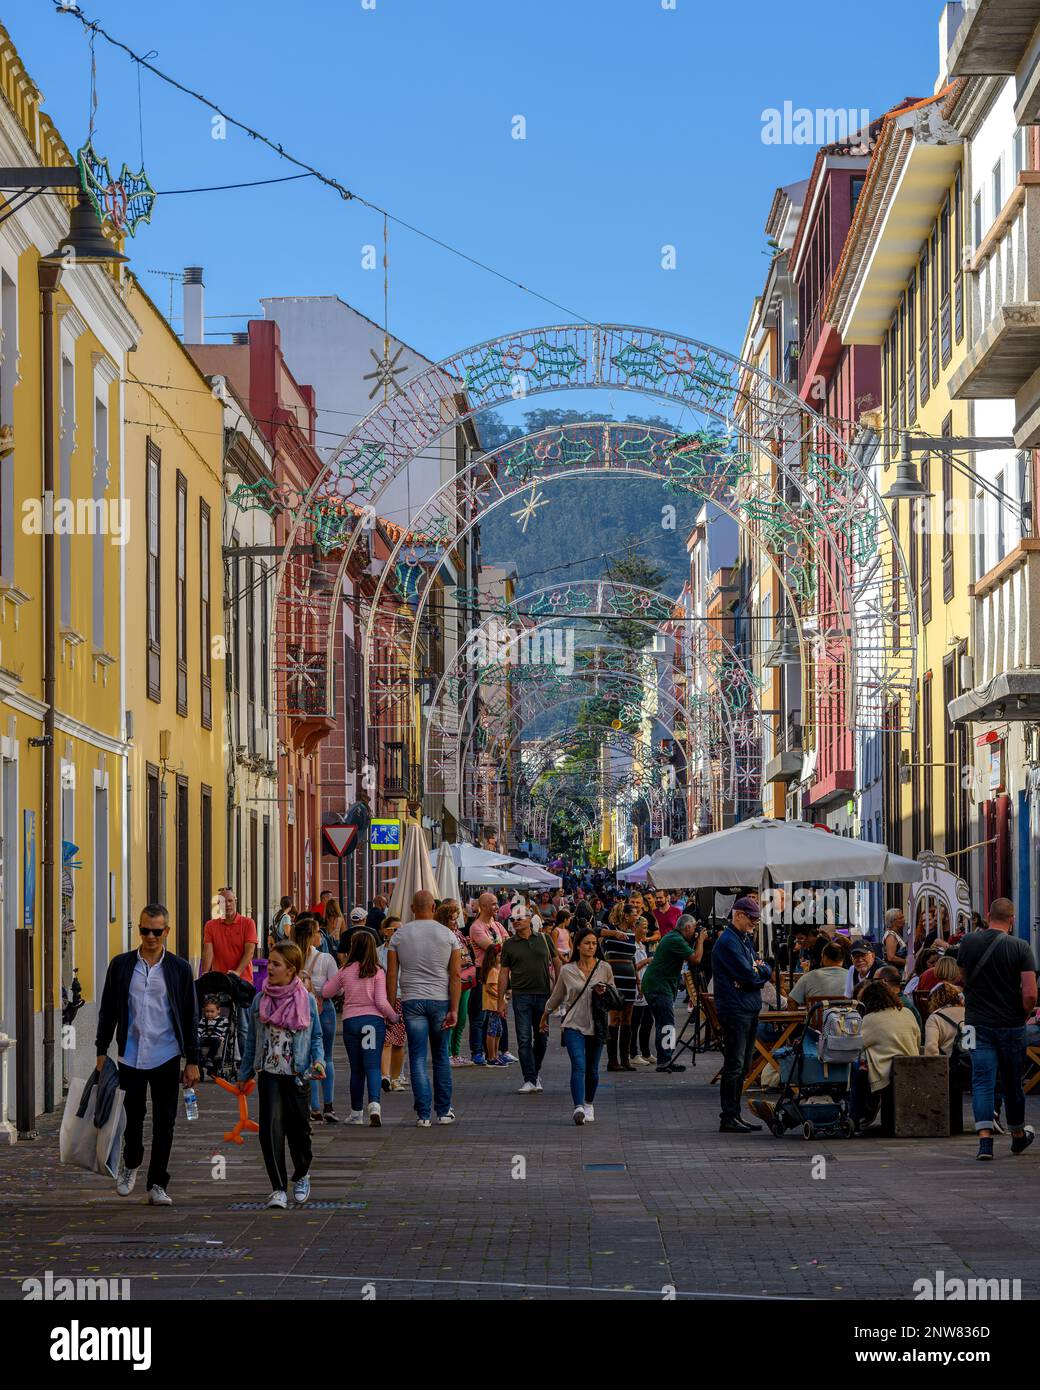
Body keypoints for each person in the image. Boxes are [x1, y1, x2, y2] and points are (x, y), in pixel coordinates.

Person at [96, 904, 200, 1205]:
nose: (150, 936)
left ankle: (157, 1183)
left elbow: (189, 1014)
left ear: (166, 931)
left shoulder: (179, 968)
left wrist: (192, 1060)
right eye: (145, 930)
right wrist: (101, 1050)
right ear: (139, 930)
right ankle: (132, 1161)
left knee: (165, 1120)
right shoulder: (121, 965)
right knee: (132, 1116)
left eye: (156, 931)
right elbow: (108, 1010)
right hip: (130, 1054)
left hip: (166, 1053)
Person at [239, 941, 325, 1208]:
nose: (270, 968)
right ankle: (278, 1187)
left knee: (299, 1130)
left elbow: (317, 1036)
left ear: (291, 969)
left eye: (276, 964)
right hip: (269, 1073)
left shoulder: (306, 999)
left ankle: (301, 1174)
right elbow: (252, 1040)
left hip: (298, 1073)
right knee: (270, 1130)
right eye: (270, 962)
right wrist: (244, 1073)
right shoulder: (259, 1000)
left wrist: (319, 1061)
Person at [957, 897, 1037, 1161]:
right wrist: (1022, 1015)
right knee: (1013, 1082)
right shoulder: (1021, 947)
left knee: (981, 1081)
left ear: (989, 915)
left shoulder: (968, 942)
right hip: (1011, 1025)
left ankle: (985, 1142)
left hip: (975, 1024)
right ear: (1012, 920)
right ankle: (1016, 1136)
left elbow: (962, 979)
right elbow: (1030, 993)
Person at [385, 889, 462, 1127]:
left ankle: (423, 1115)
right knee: (440, 1056)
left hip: (411, 999)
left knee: (417, 1057)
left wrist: (390, 1008)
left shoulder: (399, 936)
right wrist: (455, 1008)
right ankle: (443, 1110)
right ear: (434, 907)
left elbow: (391, 974)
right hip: (440, 999)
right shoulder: (448, 935)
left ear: (411, 909)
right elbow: (456, 975)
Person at [540, 926, 616, 1125]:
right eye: (587, 943)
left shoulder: (604, 968)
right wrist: (545, 1015)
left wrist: (604, 992)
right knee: (578, 1065)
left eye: (594, 943)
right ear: (578, 946)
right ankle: (578, 1107)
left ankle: (589, 1103)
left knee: (592, 1069)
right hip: (573, 1023)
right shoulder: (567, 970)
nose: (591, 947)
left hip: (597, 1024)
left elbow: (614, 997)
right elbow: (556, 996)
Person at [323, 931, 397, 1125]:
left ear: (353, 948)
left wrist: (341, 988)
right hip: (373, 1022)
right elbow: (381, 1002)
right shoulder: (377, 971)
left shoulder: (345, 970)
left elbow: (326, 991)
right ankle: (374, 1105)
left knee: (356, 1069)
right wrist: (394, 1017)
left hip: (351, 1022)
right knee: (373, 1066)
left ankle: (356, 1113)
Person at [710, 897, 772, 1132]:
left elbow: (758, 968)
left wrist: (759, 969)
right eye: (752, 918)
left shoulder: (742, 940)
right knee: (735, 1064)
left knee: (743, 1063)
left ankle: (733, 1114)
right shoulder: (729, 942)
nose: (754, 923)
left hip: (747, 1006)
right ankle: (728, 1116)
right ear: (738, 915)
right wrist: (758, 971)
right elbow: (749, 974)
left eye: (756, 919)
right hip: (736, 1009)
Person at [498, 905, 558, 1093]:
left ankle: (534, 1073)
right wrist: (500, 999)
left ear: (530, 918)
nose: (516, 922)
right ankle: (530, 1078)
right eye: (513, 919)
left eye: (520, 918)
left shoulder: (544, 939)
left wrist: (557, 991)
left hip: (543, 995)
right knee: (523, 1039)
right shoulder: (509, 944)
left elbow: (557, 963)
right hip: (520, 996)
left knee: (542, 1038)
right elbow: (503, 972)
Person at [638, 914, 706, 1072]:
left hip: (658, 986)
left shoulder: (673, 937)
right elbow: (696, 959)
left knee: (665, 1023)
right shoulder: (675, 940)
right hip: (659, 987)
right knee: (666, 1024)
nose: (695, 931)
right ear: (687, 927)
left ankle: (665, 1059)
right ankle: (664, 1060)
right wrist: (701, 940)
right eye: (694, 928)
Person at [850, 981, 921, 1133]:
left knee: (856, 1068)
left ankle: (856, 1115)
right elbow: (917, 1039)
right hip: (911, 1067)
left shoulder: (870, 1019)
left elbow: (856, 1046)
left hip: (885, 1074)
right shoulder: (907, 1013)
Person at [201, 887, 258, 1064]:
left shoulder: (248, 923)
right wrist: (205, 974)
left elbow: (249, 952)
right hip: (220, 982)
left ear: (236, 901)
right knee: (215, 1021)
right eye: (223, 902)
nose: (228, 905)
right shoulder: (211, 926)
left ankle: (245, 1062)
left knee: (243, 1026)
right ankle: (214, 1057)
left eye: (231, 901)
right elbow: (208, 952)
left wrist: (237, 973)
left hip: (242, 981)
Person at [294, 917, 340, 1124]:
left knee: (306, 1059)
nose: (320, 936)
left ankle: (313, 1107)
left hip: (299, 1011)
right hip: (325, 1009)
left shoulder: (292, 958)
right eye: (318, 932)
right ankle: (328, 1105)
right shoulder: (326, 958)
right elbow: (338, 987)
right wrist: (321, 991)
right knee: (326, 1057)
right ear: (312, 936)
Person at [468, 892, 512, 1065]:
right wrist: (502, 948)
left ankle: (495, 1052)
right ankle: (477, 1051)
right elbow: (492, 948)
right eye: (493, 904)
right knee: (480, 1015)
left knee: (497, 1013)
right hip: (483, 973)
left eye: (496, 903)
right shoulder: (476, 927)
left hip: (499, 973)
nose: (496, 907)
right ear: (483, 906)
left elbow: (508, 943)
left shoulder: (497, 924)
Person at [437, 900, 477, 1068]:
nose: (456, 921)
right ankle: (446, 1054)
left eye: (457, 918)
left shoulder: (459, 934)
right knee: (451, 1019)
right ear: (445, 919)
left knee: (461, 1019)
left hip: (466, 979)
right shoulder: (442, 936)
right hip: (453, 981)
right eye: (453, 919)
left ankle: (455, 1052)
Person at [600, 903, 640, 1073]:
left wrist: (638, 980)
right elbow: (597, 934)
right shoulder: (610, 929)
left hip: (630, 978)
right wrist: (615, 932)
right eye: (635, 914)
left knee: (627, 1018)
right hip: (614, 979)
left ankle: (625, 1059)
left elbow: (632, 957)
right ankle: (612, 1060)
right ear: (626, 915)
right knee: (614, 1017)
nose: (637, 917)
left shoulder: (632, 933)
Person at [376, 916, 407, 1092]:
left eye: (401, 930)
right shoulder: (378, 951)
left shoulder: (407, 951)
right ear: (385, 931)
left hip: (400, 997)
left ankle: (396, 1077)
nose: (398, 933)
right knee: (386, 1040)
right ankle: (385, 1076)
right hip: (382, 999)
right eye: (395, 930)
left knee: (399, 1041)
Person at [787, 941, 848, 1008]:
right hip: (848, 1018)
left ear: (825, 958)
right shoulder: (853, 977)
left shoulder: (808, 977)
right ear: (842, 959)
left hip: (818, 1018)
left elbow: (791, 1000)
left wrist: (798, 1017)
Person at [630, 915, 655, 1064]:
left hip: (644, 988)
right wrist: (647, 961)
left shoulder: (641, 945)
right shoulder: (632, 945)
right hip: (636, 988)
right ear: (635, 928)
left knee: (648, 1021)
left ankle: (646, 1052)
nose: (646, 931)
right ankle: (633, 1053)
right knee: (635, 1022)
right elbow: (632, 967)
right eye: (644, 927)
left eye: (647, 928)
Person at [482, 944, 504, 1065]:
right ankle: (491, 1057)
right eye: (499, 955)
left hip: (497, 1005)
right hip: (493, 1005)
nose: (501, 957)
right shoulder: (493, 971)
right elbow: (489, 988)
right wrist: (500, 997)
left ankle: (495, 1055)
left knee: (498, 1031)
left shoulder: (497, 970)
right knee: (492, 1030)